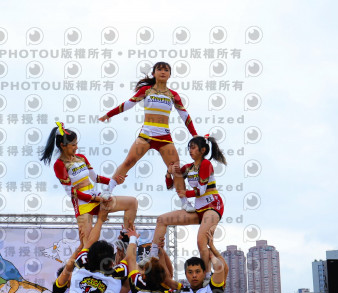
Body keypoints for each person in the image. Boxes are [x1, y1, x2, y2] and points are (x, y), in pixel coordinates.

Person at [99, 62, 198, 212]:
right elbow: (127, 104)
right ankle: (108, 190)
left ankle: (185, 202)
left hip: (164, 138)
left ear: (170, 75)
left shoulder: (173, 95)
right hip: (146, 135)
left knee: (176, 169)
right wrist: (108, 114)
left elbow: (185, 115)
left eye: (166, 70)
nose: (163, 72)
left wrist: (194, 134)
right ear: (153, 73)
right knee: (129, 161)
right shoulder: (146, 90)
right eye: (159, 69)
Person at [40, 121, 137, 247]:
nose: (76, 147)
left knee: (132, 203)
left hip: (96, 196)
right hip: (82, 204)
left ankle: (125, 239)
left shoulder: (81, 157)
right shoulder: (59, 165)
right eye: (73, 145)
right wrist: (95, 198)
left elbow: (95, 178)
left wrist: (114, 181)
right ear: (63, 145)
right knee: (88, 246)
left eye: (77, 143)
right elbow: (72, 193)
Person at [150, 134, 227, 272]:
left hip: (212, 206)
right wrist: (169, 173)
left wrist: (186, 193)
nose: (190, 150)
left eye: (193, 147)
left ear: (203, 150)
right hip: (198, 209)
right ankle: (152, 255)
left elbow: (201, 190)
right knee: (162, 219)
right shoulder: (189, 167)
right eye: (189, 148)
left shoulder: (206, 164)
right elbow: (170, 186)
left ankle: (206, 276)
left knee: (201, 241)